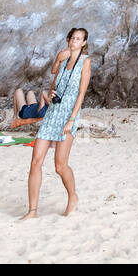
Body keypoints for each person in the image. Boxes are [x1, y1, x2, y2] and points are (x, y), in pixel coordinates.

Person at [22, 27, 92, 219]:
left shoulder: (85, 62)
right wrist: (52, 93)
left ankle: (73, 196)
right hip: (53, 112)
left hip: (68, 115)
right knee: (35, 161)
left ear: (84, 43)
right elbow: (54, 82)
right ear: (68, 39)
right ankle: (32, 211)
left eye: (79, 39)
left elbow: (81, 93)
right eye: (72, 38)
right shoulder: (63, 60)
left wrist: (71, 120)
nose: (74, 42)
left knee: (60, 166)